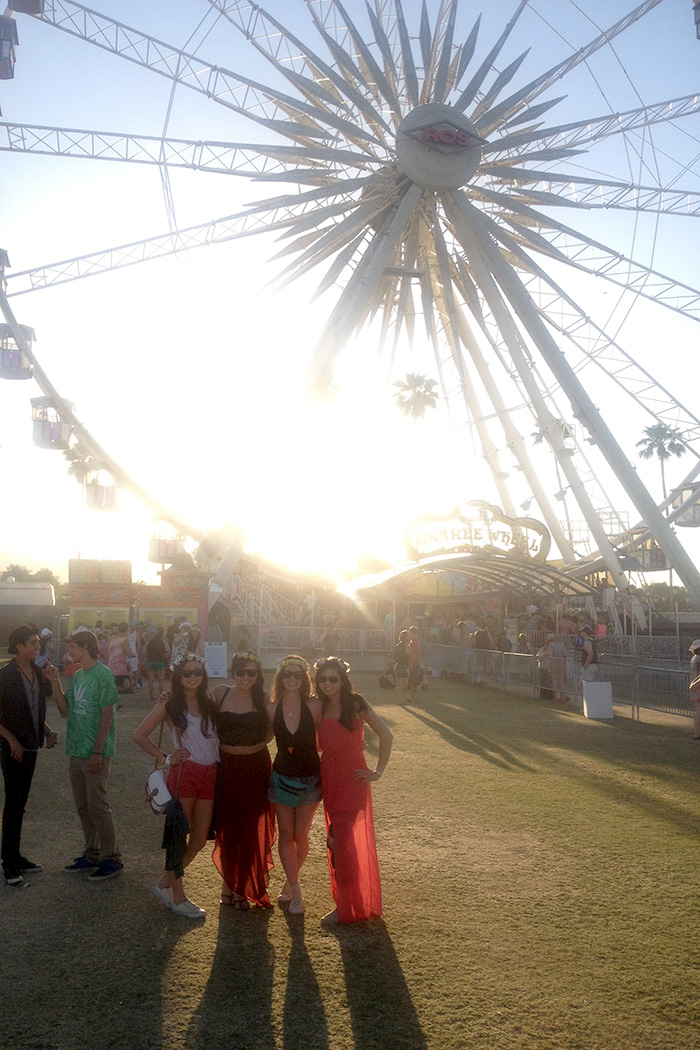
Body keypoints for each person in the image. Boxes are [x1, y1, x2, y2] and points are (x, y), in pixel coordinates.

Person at [133, 653, 218, 918]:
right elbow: (139, 734)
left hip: (211, 772)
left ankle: (163, 884)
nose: (193, 677)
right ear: (178, 677)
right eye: (187, 673)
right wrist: (166, 758)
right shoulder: (171, 704)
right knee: (178, 838)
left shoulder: (211, 701)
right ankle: (178, 897)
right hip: (185, 774)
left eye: (197, 672)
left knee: (201, 838)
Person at [314, 657, 392, 925]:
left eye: (333, 679)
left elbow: (386, 734)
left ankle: (347, 906)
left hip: (353, 777)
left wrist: (378, 771)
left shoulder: (356, 703)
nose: (328, 684)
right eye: (323, 679)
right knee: (337, 841)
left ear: (343, 680)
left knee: (344, 840)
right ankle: (351, 899)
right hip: (330, 776)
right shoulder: (319, 706)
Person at [45, 630, 124, 881]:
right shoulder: (77, 675)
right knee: (83, 807)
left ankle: (113, 859)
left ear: (86, 647)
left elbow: (107, 714)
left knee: (98, 806)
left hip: (94, 752)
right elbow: (65, 710)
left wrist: (98, 751)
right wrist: (54, 682)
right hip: (76, 751)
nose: (69, 651)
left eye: (73, 647)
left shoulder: (103, 674)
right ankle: (92, 854)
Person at [211, 650, 276, 909]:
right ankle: (229, 884)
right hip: (226, 767)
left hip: (256, 768)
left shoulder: (263, 699)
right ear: (233, 672)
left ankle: (242, 888)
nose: (246, 677)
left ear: (257, 674)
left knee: (250, 828)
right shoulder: (219, 694)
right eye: (241, 672)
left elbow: (271, 733)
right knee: (228, 827)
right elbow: (192, 709)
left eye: (251, 672)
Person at [0, 626, 59, 885]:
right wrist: (9, 738)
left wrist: (46, 731)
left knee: (20, 804)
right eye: (33, 643)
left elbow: (33, 708)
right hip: (12, 749)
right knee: (13, 804)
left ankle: (16, 855)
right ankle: (10, 865)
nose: (38, 647)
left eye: (37, 643)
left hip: (31, 746)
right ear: (19, 647)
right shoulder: (5, 675)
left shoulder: (36, 671)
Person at [266, 655, 322, 916]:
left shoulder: (314, 705)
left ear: (304, 678)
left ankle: (289, 882)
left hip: (311, 778)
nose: (291, 679)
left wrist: (355, 741)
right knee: (286, 834)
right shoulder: (271, 706)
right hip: (281, 778)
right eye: (286, 675)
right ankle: (297, 890)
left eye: (296, 675)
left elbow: (330, 730)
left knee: (301, 835)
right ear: (280, 677)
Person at [144, 626, 170, 702]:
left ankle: (151, 696)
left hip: (150, 661)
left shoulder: (149, 641)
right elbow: (168, 650)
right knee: (161, 680)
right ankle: (161, 696)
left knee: (151, 680)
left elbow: (144, 652)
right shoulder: (162, 641)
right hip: (160, 661)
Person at [541, 634, 568, 702]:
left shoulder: (552, 645)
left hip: (554, 663)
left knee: (555, 682)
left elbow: (550, 654)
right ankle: (563, 697)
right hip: (561, 663)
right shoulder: (562, 645)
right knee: (561, 682)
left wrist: (545, 654)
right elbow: (565, 654)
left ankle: (555, 698)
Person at [106, 622, 131, 694]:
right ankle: (114, 702)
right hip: (120, 666)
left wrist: (106, 663)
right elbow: (128, 653)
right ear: (126, 630)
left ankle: (112, 702)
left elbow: (106, 652)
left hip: (110, 665)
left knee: (111, 685)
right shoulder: (124, 639)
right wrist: (134, 655)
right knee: (119, 685)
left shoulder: (110, 639)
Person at [393, 630, 410, 705]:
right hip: (403, 665)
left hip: (397, 665)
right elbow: (407, 652)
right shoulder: (405, 645)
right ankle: (399, 700)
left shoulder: (397, 645)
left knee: (398, 684)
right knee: (402, 684)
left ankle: (397, 698)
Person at [407, 625, 422, 702]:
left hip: (414, 662)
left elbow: (414, 654)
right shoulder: (414, 640)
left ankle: (417, 698)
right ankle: (412, 696)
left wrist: (411, 664)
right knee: (413, 681)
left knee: (416, 681)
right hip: (415, 661)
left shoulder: (414, 641)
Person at [689, 640, 700, 739]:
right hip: (699, 687)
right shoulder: (699, 659)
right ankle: (697, 733)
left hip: (695, 687)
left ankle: (696, 732)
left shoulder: (693, 659)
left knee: (697, 711)